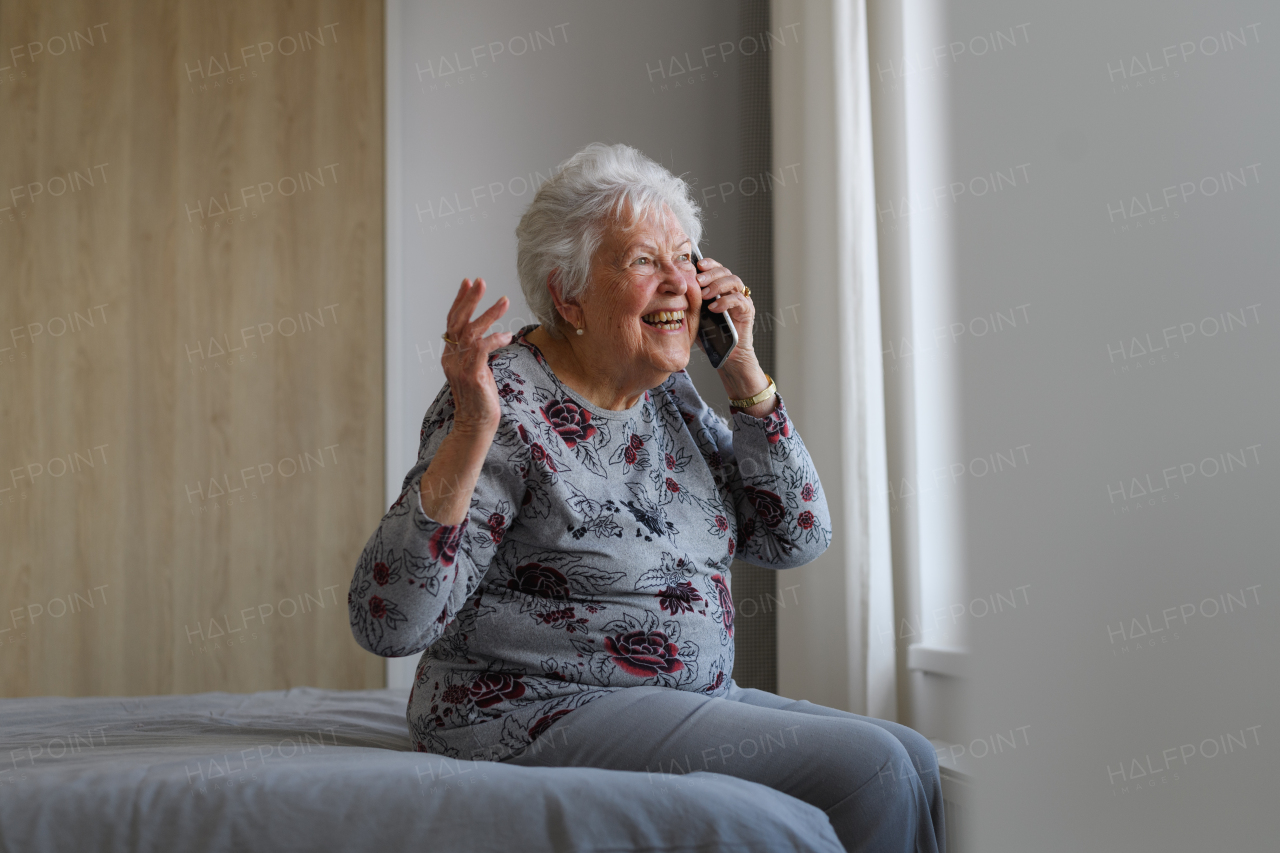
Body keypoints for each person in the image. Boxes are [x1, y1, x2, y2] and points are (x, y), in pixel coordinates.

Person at [348, 143, 943, 852]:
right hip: (536, 702)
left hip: (682, 696)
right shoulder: (499, 402)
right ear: (568, 296)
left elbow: (796, 535)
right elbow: (388, 621)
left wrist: (741, 363)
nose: (679, 283)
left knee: (912, 754)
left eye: (686, 258)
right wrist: (474, 424)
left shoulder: (670, 395)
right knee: (873, 768)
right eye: (642, 262)